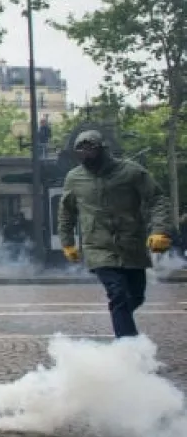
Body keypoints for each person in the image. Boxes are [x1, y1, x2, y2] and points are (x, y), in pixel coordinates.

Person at [58, 130, 172, 338]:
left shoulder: (131, 172)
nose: (85, 155)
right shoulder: (74, 178)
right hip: (98, 248)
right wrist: (67, 243)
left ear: (102, 149)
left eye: (90, 149)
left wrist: (159, 230)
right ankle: (129, 349)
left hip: (131, 245)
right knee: (118, 293)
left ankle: (122, 330)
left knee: (136, 297)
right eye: (80, 151)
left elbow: (157, 199)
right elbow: (66, 211)